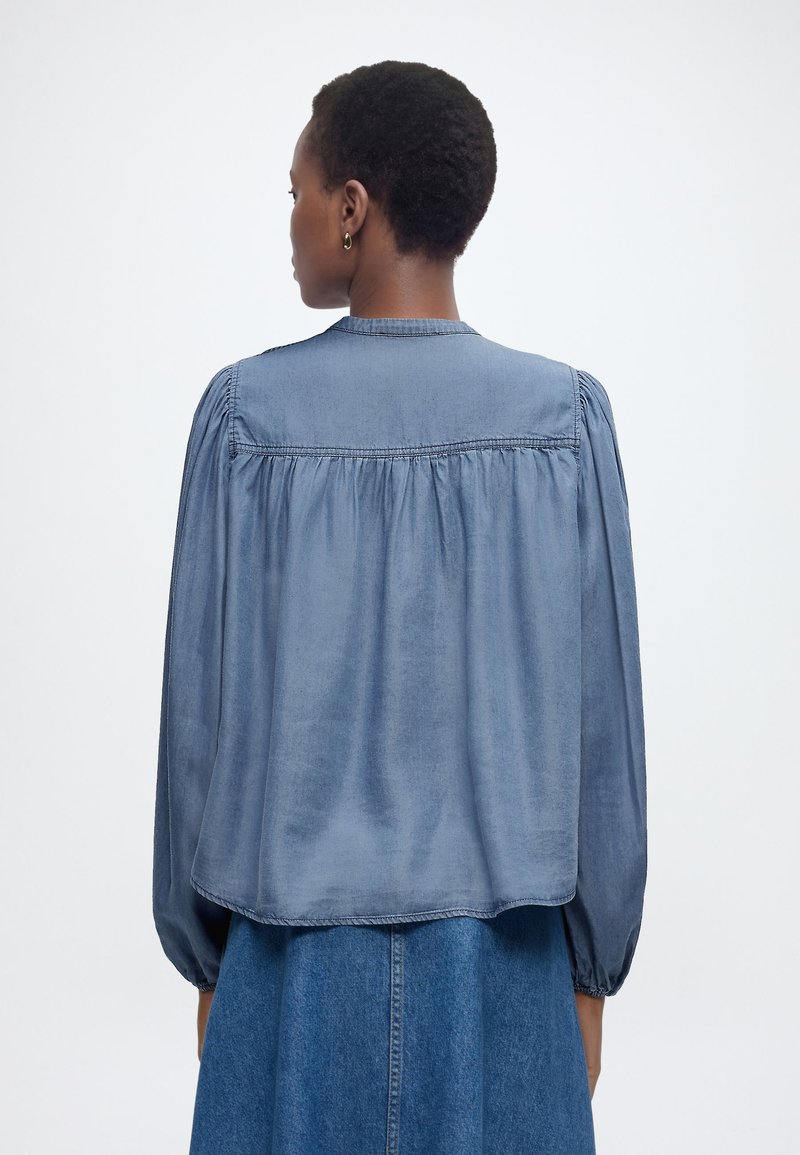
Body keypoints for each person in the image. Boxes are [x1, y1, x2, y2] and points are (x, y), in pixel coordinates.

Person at [152, 60, 647, 1155]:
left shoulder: (243, 420)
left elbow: (198, 724)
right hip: (506, 970)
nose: (288, 218)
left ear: (351, 207)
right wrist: (590, 971)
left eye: (295, 190)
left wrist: (208, 957)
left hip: (285, 966)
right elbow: (602, 735)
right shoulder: (564, 423)